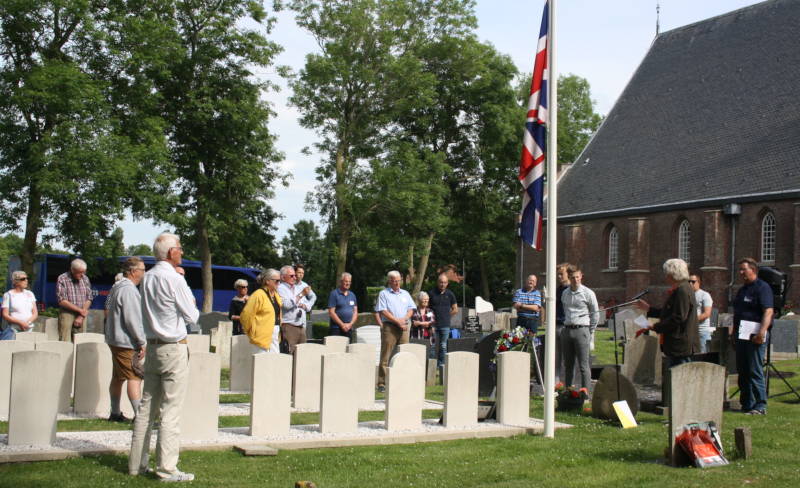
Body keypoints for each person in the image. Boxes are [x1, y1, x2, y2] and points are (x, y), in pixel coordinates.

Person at [129, 233, 198, 482]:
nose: (182, 252)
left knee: (147, 407)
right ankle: (167, 468)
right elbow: (193, 315)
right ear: (171, 253)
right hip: (173, 346)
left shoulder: (146, 278)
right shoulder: (174, 279)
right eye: (179, 248)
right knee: (171, 409)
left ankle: (136, 464)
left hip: (153, 346)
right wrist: (184, 283)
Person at [104, 257, 147, 422]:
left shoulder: (117, 286)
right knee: (134, 377)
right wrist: (141, 341)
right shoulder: (129, 290)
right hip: (126, 342)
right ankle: (140, 416)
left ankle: (115, 413)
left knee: (118, 377)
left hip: (115, 340)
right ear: (133, 271)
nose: (144, 273)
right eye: (142, 270)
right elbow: (132, 319)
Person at [637, 258, 699, 367]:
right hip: (678, 344)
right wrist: (649, 309)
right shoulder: (682, 288)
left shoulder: (682, 290)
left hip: (681, 344)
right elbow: (670, 312)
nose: (665, 277)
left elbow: (678, 317)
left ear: (672, 274)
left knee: (678, 378)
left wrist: (655, 326)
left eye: (666, 274)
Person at [732, 257, 774, 415]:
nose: (741, 273)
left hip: (756, 333)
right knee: (743, 370)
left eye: (744, 269)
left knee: (754, 369)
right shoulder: (742, 290)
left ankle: (760, 405)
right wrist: (733, 334)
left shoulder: (762, 288)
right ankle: (747, 404)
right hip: (741, 334)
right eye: (740, 270)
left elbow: (768, 311)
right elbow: (737, 314)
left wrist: (762, 332)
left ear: (753, 270)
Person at [376, 270, 415, 392]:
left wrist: (404, 319)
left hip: (404, 326)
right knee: (386, 354)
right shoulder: (384, 293)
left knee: (403, 354)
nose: (397, 283)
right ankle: (381, 383)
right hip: (390, 326)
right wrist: (397, 321)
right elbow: (383, 310)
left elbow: (411, 308)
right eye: (394, 281)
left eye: (398, 281)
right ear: (389, 281)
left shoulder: (405, 293)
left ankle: (402, 379)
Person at [560, 266, 599, 390]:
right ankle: (568, 391)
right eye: (573, 278)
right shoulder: (565, 293)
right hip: (567, 329)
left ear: (581, 276)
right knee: (568, 365)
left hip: (582, 330)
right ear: (569, 278)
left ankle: (585, 393)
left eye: (577, 277)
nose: (575, 280)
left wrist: (590, 331)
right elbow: (565, 310)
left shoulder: (588, 293)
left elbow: (595, 314)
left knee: (583, 365)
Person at [240, 269, 282, 353]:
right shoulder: (258, 295)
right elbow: (245, 316)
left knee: (275, 362)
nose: (279, 283)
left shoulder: (276, 295)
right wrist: (253, 332)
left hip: (274, 334)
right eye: (277, 281)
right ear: (267, 281)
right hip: (260, 336)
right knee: (261, 363)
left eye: (280, 281)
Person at [56, 258, 94, 342]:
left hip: (82, 313)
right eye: (80, 272)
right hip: (67, 313)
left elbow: (89, 297)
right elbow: (62, 300)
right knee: (65, 340)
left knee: (80, 341)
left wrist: (81, 315)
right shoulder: (62, 278)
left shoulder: (85, 278)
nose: (82, 275)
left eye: (84, 272)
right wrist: (80, 310)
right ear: (72, 270)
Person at [428, 274, 458, 368]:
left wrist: (446, 316)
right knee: (432, 346)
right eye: (441, 282)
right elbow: (427, 308)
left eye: (444, 282)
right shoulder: (431, 293)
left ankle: (441, 366)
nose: (442, 284)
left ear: (447, 283)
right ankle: (432, 367)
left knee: (443, 346)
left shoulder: (450, 294)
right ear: (438, 282)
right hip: (433, 324)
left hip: (445, 324)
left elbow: (455, 309)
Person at [277, 265, 308, 354]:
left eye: (295, 275)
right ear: (283, 277)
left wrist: (305, 305)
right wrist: (301, 294)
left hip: (300, 325)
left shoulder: (295, 288)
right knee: (289, 354)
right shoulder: (281, 288)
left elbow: (301, 302)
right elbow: (286, 305)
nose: (295, 277)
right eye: (292, 276)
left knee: (302, 355)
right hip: (289, 326)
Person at [2, 270, 38, 339]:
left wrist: (27, 323)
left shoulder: (30, 294)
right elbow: (5, 314)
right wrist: (20, 323)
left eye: (27, 278)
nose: (26, 280)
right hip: (13, 330)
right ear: (16, 281)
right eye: (23, 279)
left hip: (28, 329)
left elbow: (35, 313)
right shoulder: (8, 295)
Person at [554, 263, 572, 382]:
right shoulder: (558, 289)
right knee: (556, 357)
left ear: (568, 274)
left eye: (561, 274)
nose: (559, 277)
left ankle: (568, 384)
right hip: (556, 324)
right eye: (558, 274)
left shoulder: (571, 289)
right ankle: (556, 384)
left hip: (567, 325)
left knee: (568, 358)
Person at [327, 272, 357, 339]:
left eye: (349, 281)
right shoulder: (334, 294)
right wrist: (342, 325)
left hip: (349, 328)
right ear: (341, 282)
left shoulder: (352, 295)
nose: (348, 283)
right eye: (346, 281)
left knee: (348, 349)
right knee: (336, 349)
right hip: (336, 329)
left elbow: (355, 312)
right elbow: (331, 312)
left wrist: (350, 324)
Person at [690, 274, 714, 353]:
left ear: (698, 282)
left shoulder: (705, 295)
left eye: (693, 282)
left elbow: (707, 314)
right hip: (690, 331)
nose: (690, 283)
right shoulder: (688, 295)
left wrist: (691, 320)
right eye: (688, 281)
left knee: (702, 356)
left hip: (702, 332)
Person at [294, 264, 317, 334]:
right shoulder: (290, 284)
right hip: (291, 317)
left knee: (302, 342)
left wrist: (307, 306)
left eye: (302, 273)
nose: (301, 275)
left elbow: (313, 296)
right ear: (294, 273)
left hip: (302, 317)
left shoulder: (304, 285)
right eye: (299, 272)